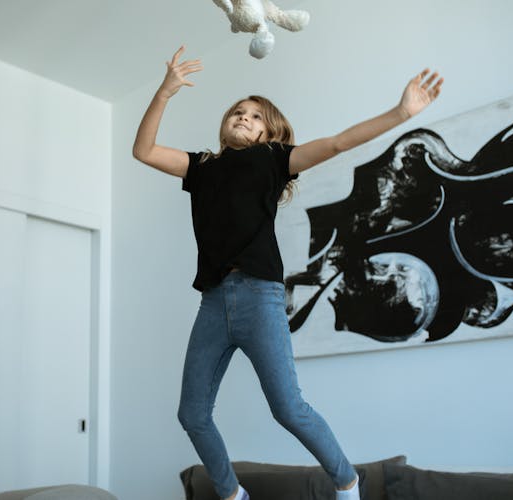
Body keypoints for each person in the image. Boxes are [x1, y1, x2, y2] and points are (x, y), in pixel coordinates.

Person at [132, 46, 443, 500]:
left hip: (259, 297)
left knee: (288, 408)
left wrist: (400, 112)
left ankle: (348, 482)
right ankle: (233, 495)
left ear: (270, 133)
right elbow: (143, 150)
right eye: (238, 112)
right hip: (214, 301)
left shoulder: (274, 160)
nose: (243, 117)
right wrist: (164, 92)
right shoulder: (202, 167)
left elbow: (338, 143)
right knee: (192, 413)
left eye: (256, 117)